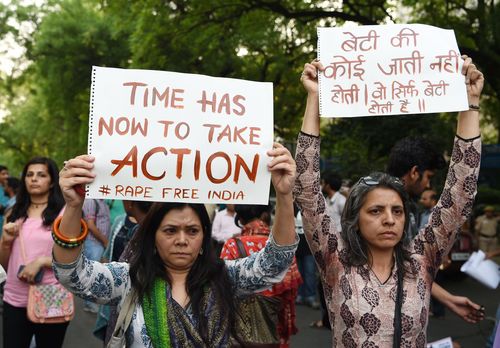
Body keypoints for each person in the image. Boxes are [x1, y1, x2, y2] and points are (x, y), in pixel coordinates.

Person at [294, 56, 483, 346]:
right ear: (356, 218)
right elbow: (306, 191)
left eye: (397, 210)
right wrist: (313, 100)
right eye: (376, 211)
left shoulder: (420, 261)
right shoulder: (336, 260)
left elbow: (460, 194)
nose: (390, 219)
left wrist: (469, 103)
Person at [53, 142, 298, 347]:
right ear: (153, 237)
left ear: (204, 237)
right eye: (170, 230)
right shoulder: (129, 279)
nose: (182, 240)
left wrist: (285, 196)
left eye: (192, 231)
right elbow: (73, 274)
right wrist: (74, 207)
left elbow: (275, 262)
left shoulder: (225, 277)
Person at [0, 157, 67, 348]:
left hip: (51, 296)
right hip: (14, 297)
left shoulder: (64, 215)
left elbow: (75, 262)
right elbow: (3, 265)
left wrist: (42, 261)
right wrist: (5, 241)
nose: (34, 179)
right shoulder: (13, 213)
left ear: (52, 181)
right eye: (29, 175)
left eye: (41, 175)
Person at [221, 203, 302, 347]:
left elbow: (223, 291)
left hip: (241, 329)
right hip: (275, 322)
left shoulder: (232, 245)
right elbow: (290, 292)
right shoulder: (283, 248)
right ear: (265, 215)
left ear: (240, 218)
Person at [94, 200, 152, 342]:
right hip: (116, 289)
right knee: (113, 333)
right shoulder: (120, 221)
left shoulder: (154, 227)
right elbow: (108, 254)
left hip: (140, 293)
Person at [81, 198, 111, 313]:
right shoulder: (91, 201)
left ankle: (93, 303)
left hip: (99, 244)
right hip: (93, 243)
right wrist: (105, 241)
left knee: (99, 275)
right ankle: (89, 304)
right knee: (92, 275)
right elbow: (90, 225)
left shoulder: (103, 201)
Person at [0, 165, 9, 232]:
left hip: (6, 220)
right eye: (3, 174)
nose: (6, 176)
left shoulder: (9, 188)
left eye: (7, 174)